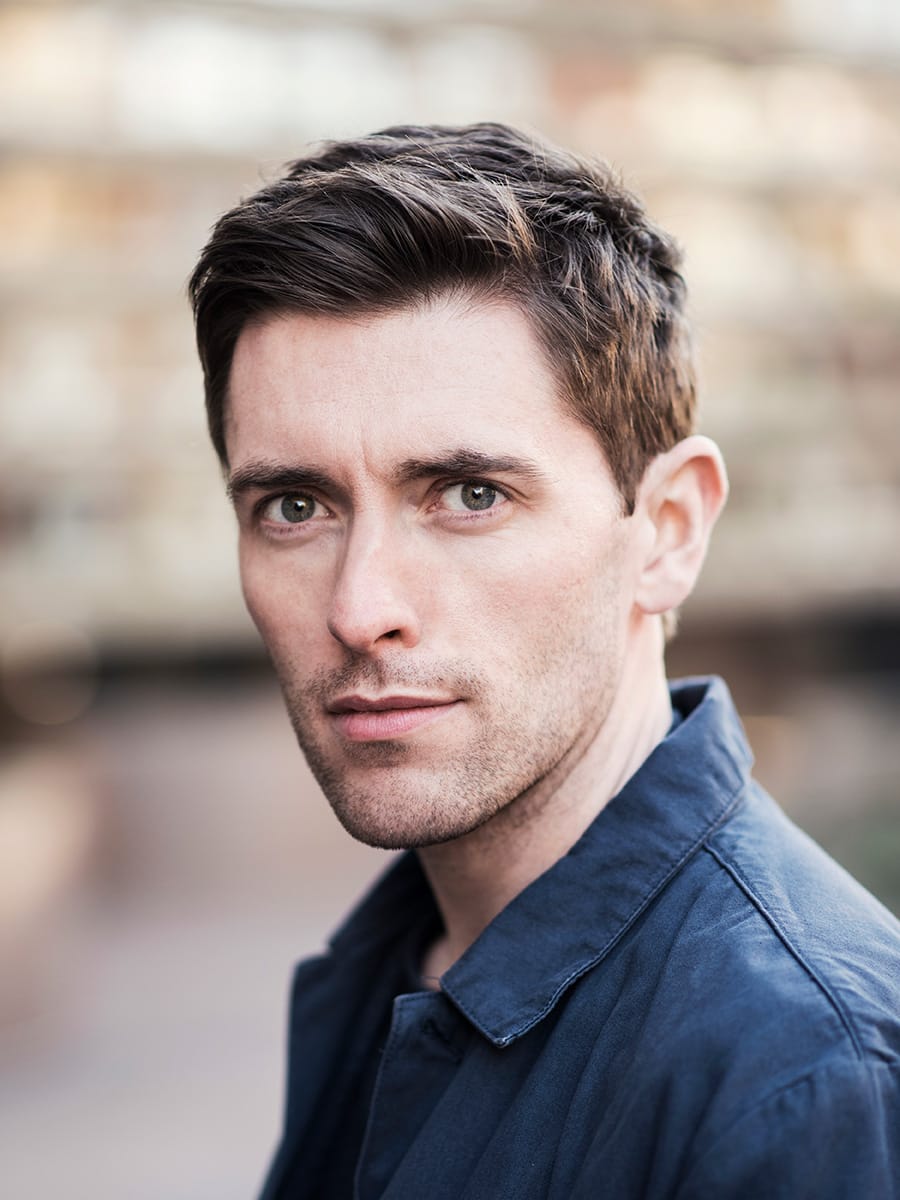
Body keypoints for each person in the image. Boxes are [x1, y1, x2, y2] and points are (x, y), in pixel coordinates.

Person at [189, 123, 900, 1199]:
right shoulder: (392, 965)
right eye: (295, 506)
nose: (359, 607)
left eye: (470, 495)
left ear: (666, 529)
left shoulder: (805, 1082)